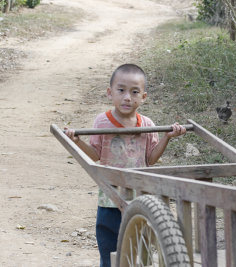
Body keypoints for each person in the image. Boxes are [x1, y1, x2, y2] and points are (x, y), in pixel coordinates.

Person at [64, 63, 186, 267]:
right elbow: (95, 155)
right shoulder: (102, 122)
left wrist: (167, 137)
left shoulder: (148, 124)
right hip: (110, 200)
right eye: (121, 90)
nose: (127, 97)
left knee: (139, 253)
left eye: (134, 92)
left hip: (140, 201)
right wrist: (77, 141)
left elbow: (150, 159)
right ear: (110, 93)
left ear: (143, 97)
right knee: (109, 253)